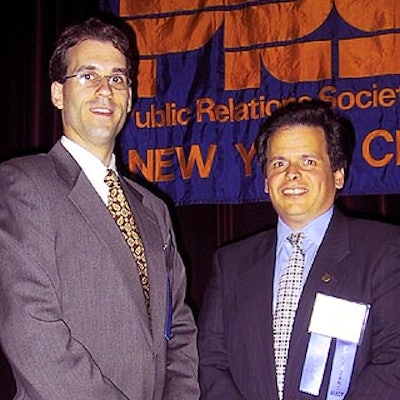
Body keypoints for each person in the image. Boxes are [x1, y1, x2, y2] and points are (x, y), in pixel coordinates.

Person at [0, 17, 200, 400]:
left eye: (118, 79)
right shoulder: (22, 185)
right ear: (58, 94)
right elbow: (32, 331)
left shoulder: (154, 209)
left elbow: (178, 327)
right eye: (88, 76)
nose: (105, 90)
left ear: (129, 97)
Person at [197, 100, 400, 399]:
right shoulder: (229, 264)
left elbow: (393, 360)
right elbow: (211, 363)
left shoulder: (384, 249)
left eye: (308, 161)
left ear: (338, 174)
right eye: (279, 163)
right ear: (266, 181)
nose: (292, 174)